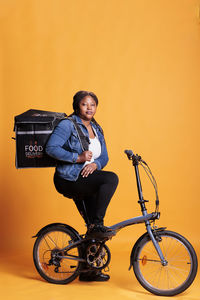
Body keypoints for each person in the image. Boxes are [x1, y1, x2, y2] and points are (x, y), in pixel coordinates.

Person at [45, 90, 119, 281]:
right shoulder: (67, 125)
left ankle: (89, 272)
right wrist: (77, 157)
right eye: (85, 104)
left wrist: (96, 164)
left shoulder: (97, 128)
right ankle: (98, 224)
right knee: (110, 179)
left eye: (92, 105)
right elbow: (51, 148)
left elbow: (105, 156)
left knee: (91, 227)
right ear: (78, 106)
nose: (89, 108)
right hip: (69, 179)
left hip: (88, 179)